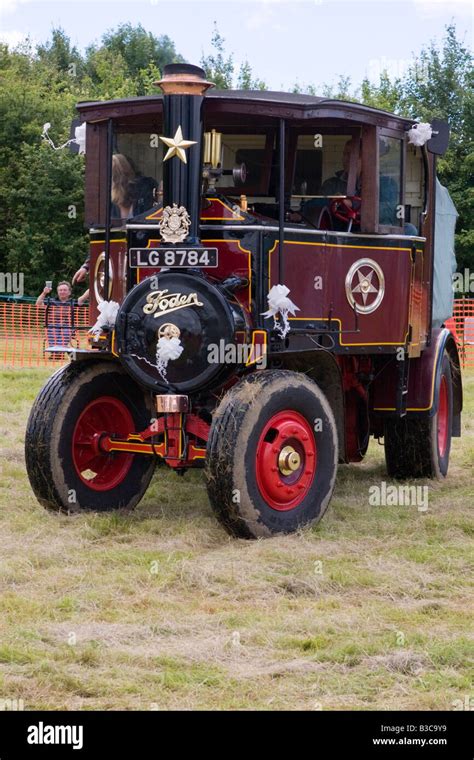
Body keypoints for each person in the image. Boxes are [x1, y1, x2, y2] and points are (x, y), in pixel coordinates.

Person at [73, 154, 158, 285]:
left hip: (144, 253)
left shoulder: (145, 189)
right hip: (119, 257)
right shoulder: (109, 200)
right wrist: (87, 265)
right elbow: (102, 233)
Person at [36, 281, 89, 349]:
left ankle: (57, 352)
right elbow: (38, 305)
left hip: (68, 327)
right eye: (60, 290)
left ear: (69, 292)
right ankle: (57, 351)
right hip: (52, 326)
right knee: (52, 331)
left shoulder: (73, 302)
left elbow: (83, 297)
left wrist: (95, 285)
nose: (62, 292)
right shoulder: (51, 301)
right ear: (58, 292)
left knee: (66, 331)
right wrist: (44, 293)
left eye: (65, 290)